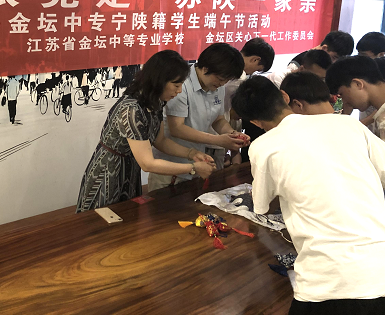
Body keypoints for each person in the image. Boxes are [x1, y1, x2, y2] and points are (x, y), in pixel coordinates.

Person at [231, 76, 385, 314]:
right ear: (285, 97)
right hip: (384, 271)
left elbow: (262, 205)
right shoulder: (349, 125)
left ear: (254, 121)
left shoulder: (263, 146)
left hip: (328, 280)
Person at [76, 50, 216, 213]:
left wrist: (192, 153)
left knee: (129, 219)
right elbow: (147, 163)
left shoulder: (156, 102)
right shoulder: (132, 109)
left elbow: (160, 141)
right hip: (108, 172)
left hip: (130, 171)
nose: (179, 91)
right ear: (159, 81)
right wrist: (193, 167)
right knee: (103, 222)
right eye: (176, 85)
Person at [148, 43, 247, 192]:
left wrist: (232, 134)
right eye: (220, 78)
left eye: (227, 80)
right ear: (205, 68)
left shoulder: (217, 86)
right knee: (164, 204)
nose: (222, 84)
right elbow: (177, 128)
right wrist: (218, 140)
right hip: (172, 165)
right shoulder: (181, 84)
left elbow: (218, 119)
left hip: (197, 162)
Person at [222, 38, 275, 165]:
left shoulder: (225, 64)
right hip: (225, 119)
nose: (253, 73)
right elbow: (234, 111)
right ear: (255, 59)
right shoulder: (240, 77)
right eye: (257, 69)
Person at [267, 49, 332, 88]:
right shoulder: (278, 79)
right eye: (315, 77)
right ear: (301, 69)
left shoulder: (313, 88)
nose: (318, 82)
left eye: (322, 79)